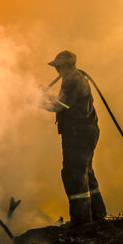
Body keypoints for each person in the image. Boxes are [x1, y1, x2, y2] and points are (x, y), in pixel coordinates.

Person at [43, 50, 107, 224]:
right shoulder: (74, 79)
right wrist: (46, 96)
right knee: (85, 171)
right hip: (84, 132)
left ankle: (82, 220)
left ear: (66, 65)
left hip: (78, 134)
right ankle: (97, 214)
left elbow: (61, 105)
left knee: (73, 174)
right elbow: (65, 101)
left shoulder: (72, 80)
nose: (56, 69)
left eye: (58, 66)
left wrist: (40, 101)